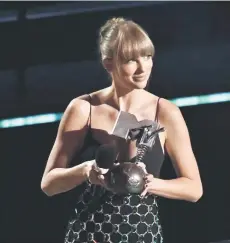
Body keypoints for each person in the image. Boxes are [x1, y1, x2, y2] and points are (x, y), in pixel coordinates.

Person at [41, 17, 203, 243]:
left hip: (141, 233)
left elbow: (194, 188)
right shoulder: (84, 109)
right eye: (131, 60)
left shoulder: (165, 112)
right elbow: (48, 184)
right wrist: (86, 171)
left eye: (147, 56)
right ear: (109, 64)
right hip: (90, 233)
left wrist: (151, 183)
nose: (143, 67)